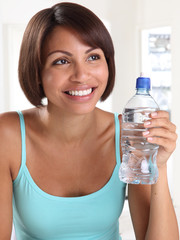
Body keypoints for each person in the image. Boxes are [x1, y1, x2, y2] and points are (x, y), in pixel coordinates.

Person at [0, 2, 179, 240]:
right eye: (62, 61)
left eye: (93, 57)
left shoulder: (125, 135)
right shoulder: (8, 135)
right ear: (37, 71)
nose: (82, 75)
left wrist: (159, 166)